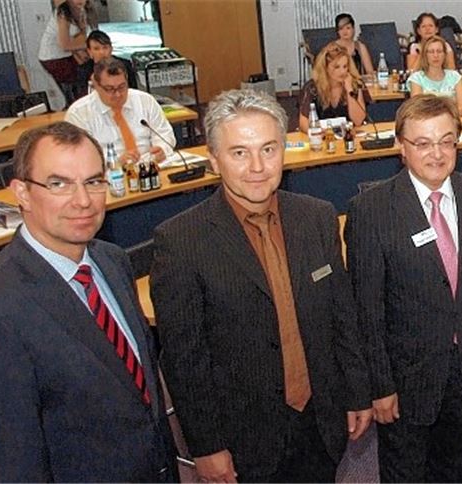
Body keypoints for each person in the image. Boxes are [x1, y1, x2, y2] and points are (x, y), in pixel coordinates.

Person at [150, 89, 373, 482]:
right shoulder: (180, 241)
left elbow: (342, 316)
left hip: (320, 422)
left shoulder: (316, 218)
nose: (257, 166)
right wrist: (206, 445)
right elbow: (185, 362)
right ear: (214, 158)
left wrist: (356, 393)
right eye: (239, 152)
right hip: (242, 439)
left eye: (269, 149)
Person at [0, 122, 176, 481]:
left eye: (93, 181)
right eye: (59, 184)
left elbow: (142, 392)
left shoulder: (112, 260)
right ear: (21, 193)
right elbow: (12, 457)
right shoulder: (1, 306)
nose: (83, 201)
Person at [345, 94, 462, 482]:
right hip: (405, 384)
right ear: (401, 147)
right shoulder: (371, 210)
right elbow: (367, 309)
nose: (436, 153)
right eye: (423, 143)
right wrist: (378, 386)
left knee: (459, 474)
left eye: (446, 141)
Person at [65, 58, 174, 166]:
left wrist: (162, 148)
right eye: (110, 89)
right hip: (107, 176)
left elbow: (164, 133)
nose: (117, 94)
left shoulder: (145, 101)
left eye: (122, 87)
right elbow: (80, 158)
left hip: (149, 167)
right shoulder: (79, 113)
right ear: (96, 86)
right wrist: (116, 162)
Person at [298, 43, 366, 129]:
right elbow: (303, 122)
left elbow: (358, 121)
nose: (342, 71)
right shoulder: (312, 88)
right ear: (325, 68)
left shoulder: (354, 85)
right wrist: (319, 133)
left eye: (345, 66)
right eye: (337, 67)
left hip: (348, 136)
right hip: (321, 137)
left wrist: (349, 90)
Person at [38, 0, 90, 106]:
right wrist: (89, 45)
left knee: (88, 70)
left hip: (66, 54)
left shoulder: (81, 11)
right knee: (77, 88)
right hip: (52, 57)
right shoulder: (63, 13)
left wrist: (83, 53)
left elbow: (80, 36)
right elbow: (65, 45)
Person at [408, 35, 462, 116]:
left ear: (445, 55)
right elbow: (418, 110)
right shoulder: (416, 78)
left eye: (439, 51)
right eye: (431, 52)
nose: (436, 55)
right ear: (425, 55)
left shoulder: (454, 76)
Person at [75, 30, 138, 99]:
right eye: (96, 49)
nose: (102, 52)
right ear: (89, 52)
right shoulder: (84, 70)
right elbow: (82, 96)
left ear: (111, 49)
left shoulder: (125, 65)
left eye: (105, 48)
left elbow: (134, 91)